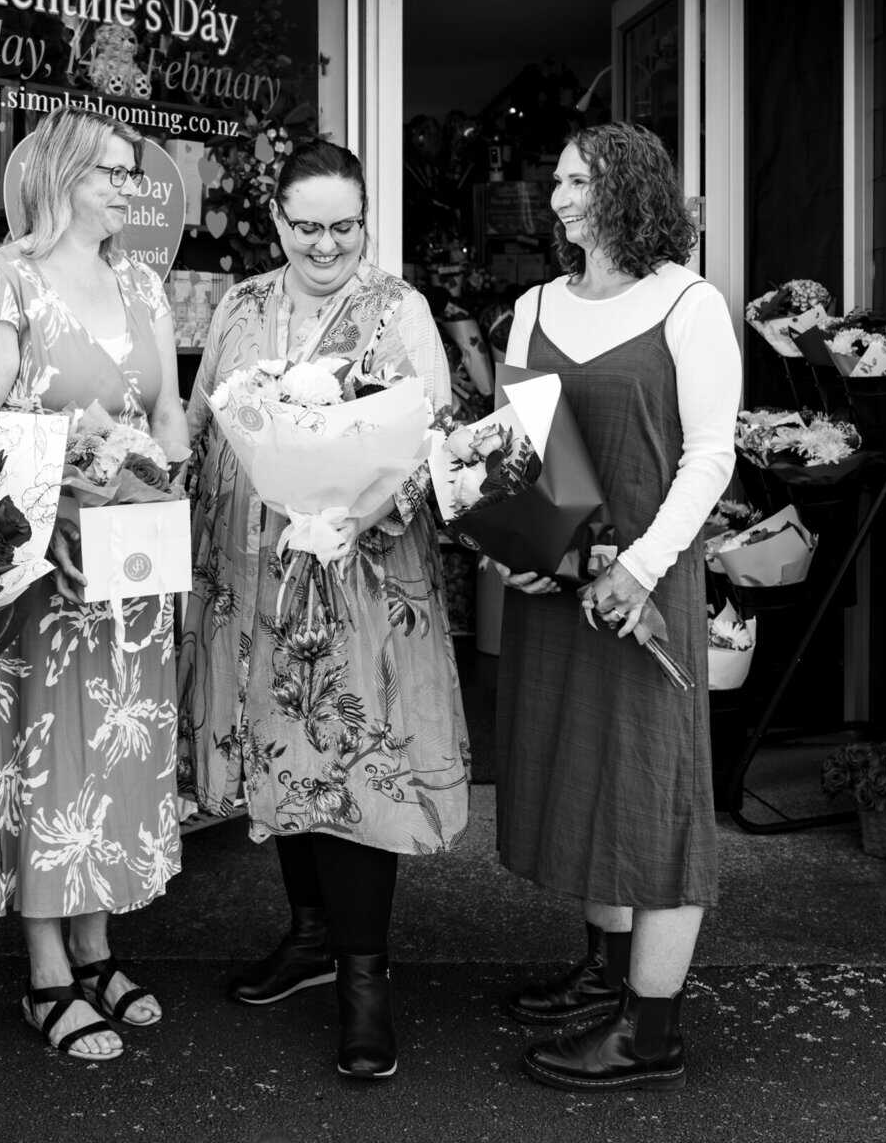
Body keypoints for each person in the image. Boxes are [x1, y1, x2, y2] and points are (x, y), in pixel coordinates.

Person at [179, 140, 469, 1080]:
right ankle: (307, 937)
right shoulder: (241, 305)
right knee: (277, 749)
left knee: (354, 765)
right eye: (308, 226)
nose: (327, 244)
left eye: (346, 225)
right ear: (277, 224)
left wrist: (358, 518)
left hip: (359, 576)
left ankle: (364, 981)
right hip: (253, 573)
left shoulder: (399, 310)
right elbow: (201, 426)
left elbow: (427, 442)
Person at [492, 122, 739, 1091]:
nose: (558, 199)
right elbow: (524, 449)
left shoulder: (688, 303)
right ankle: (601, 974)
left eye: (579, 182)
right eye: (554, 181)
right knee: (580, 771)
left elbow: (708, 455)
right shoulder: (536, 303)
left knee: (656, 790)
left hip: (644, 585)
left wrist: (636, 568)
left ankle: (651, 1031)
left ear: (630, 191)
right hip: (563, 583)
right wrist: (524, 548)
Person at [0, 106, 187, 1062]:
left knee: (119, 749)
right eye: (112, 172)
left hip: (130, 558)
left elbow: (167, 408)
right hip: (43, 568)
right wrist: (56, 513)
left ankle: (97, 947)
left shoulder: (141, 279)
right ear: (56, 178)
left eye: (131, 173)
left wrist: (164, 472)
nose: (129, 188)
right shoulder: (0, 282)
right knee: (46, 753)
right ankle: (46, 966)